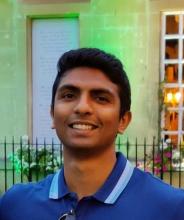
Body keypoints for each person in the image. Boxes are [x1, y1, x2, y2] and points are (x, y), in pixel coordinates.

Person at [0, 48, 184, 220]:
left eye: (101, 98)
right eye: (69, 95)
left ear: (123, 121)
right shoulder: (15, 206)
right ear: (52, 115)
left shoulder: (171, 208)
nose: (82, 107)